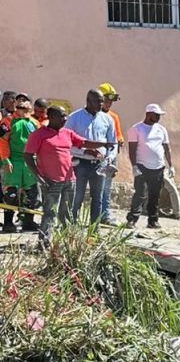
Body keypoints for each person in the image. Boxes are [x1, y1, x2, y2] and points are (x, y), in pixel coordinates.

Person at [24, 106, 113, 244]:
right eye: (62, 116)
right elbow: (28, 156)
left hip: (69, 180)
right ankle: (44, 243)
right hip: (50, 181)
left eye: (65, 116)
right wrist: (39, 177)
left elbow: (83, 142)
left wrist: (104, 144)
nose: (65, 119)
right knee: (50, 213)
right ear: (51, 117)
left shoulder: (67, 133)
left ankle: (65, 242)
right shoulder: (39, 134)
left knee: (66, 213)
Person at [64, 88, 116, 224]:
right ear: (88, 101)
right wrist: (85, 151)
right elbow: (66, 142)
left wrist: (109, 159)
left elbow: (113, 143)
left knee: (97, 198)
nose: (100, 105)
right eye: (97, 102)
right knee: (77, 197)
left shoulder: (107, 119)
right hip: (79, 163)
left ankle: (94, 230)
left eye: (102, 102)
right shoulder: (74, 118)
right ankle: (70, 227)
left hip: (100, 165)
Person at [126, 104, 173, 229]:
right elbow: (132, 150)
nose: (158, 117)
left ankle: (152, 220)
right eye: (156, 115)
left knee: (155, 195)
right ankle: (132, 219)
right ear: (148, 114)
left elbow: (166, 148)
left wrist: (171, 165)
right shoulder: (136, 129)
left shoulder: (161, 130)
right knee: (140, 193)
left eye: (159, 115)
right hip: (142, 166)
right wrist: (134, 166)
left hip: (158, 167)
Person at [0, 94, 41, 232]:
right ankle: (8, 223)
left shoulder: (35, 123)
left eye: (25, 100)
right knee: (10, 194)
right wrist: (5, 160)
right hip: (13, 162)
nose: (22, 102)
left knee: (31, 194)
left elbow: (41, 143)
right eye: (19, 99)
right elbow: (2, 142)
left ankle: (28, 222)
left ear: (30, 105)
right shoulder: (7, 121)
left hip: (30, 163)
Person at [98, 83, 123, 226]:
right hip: (96, 156)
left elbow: (118, 137)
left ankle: (105, 215)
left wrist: (119, 142)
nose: (109, 103)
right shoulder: (91, 115)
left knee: (106, 188)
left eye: (111, 101)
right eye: (107, 100)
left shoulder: (113, 117)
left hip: (110, 156)